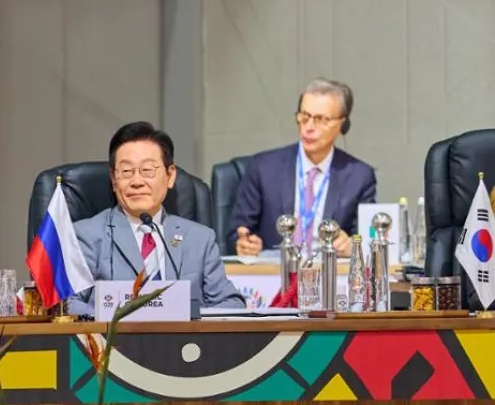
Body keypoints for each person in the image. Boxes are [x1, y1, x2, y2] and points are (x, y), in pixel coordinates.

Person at [68, 122, 245, 315]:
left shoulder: (200, 239)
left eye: (147, 170)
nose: (137, 181)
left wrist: (189, 317)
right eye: (126, 171)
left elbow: (232, 304)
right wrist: (119, 320)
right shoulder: (85, 236)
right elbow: (67, 303)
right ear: (114, 179)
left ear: (170, 176)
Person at [229, 78, 376, 258]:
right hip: (275, 271)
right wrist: (246, 244)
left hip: (328, 271)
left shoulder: (359, 176)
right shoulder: (263, 168)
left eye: (320, 119)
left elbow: (367, 238)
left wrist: (352, 245)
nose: (308, 127)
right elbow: (236, 233)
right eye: (304, 117)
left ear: (342, 125)